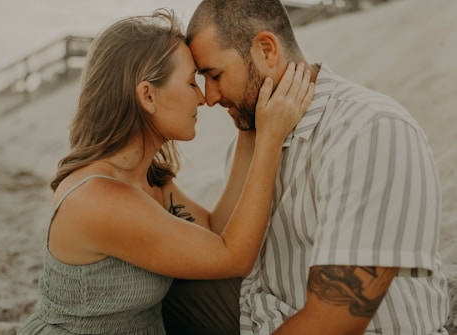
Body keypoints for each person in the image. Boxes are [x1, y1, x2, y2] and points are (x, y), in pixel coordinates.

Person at [16, 8, 315, 335]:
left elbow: (215, 231)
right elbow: (233, 256)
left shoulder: (147, 179)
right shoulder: (100, 198)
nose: (203, 98)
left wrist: (248, 125)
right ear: (148, 95)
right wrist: (270, 140)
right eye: (191, 83)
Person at [162, 0, 449, 334]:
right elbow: (224, 247)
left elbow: (336, 320)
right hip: (261, 317)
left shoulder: (368, 129)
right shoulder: (250, 140)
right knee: (159, 285)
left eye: (215, 75)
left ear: (267, 50)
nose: (209, 97)